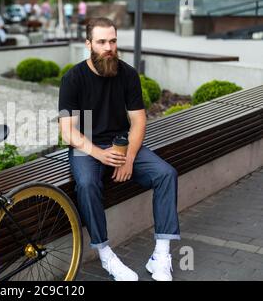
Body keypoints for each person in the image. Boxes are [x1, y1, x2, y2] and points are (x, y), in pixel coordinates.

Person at [58, 17, 180, 281]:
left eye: (112, 41)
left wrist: (129, 158)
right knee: (87, 183)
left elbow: (138, 121)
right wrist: (99, 154)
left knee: (166, 174)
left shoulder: (127, 73)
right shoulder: (73, 78)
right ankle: (106, 255)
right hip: (86, 146)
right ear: (89, 44)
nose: (109, 47)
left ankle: (160, 256)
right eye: (101, 42)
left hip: (121, 144)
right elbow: (68, 131)